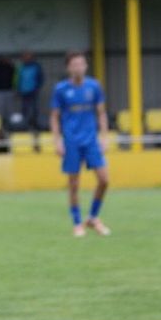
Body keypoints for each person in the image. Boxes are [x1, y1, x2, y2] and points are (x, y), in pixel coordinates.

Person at [49, 50, 111, 238]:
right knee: (74, 184)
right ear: (69, 67)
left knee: (104, 180)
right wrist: (57, 141)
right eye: (74, 64)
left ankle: (92, 218)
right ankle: (77, 224)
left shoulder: (94, 86)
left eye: (81, 64)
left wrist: (105, 136)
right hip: (71, 141)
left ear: (86, 66)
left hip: (91, 140)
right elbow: (54, 117)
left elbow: (101, 113)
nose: (78, 67)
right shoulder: (61, 89)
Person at [15, 51, 44, 129]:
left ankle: (35, 124)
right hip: (23, 91)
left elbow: (41, 78)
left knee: (35, 108)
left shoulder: (36, 66)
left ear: (32, 57)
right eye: (25, 57)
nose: (26, 58)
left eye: (28, 56)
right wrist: (18, 89)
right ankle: (24, 125)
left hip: (33, 91)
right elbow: (18, 79)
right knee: (24, 109)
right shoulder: (21, 67)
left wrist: (37, 88)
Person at [0, 56, 16, 123]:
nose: (5, 60)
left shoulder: (11, 67)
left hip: (9, 90)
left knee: (10, 109)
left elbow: (15, 78)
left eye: (6, 59)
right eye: (3, 59)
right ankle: (0, 123)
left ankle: (10, 123)